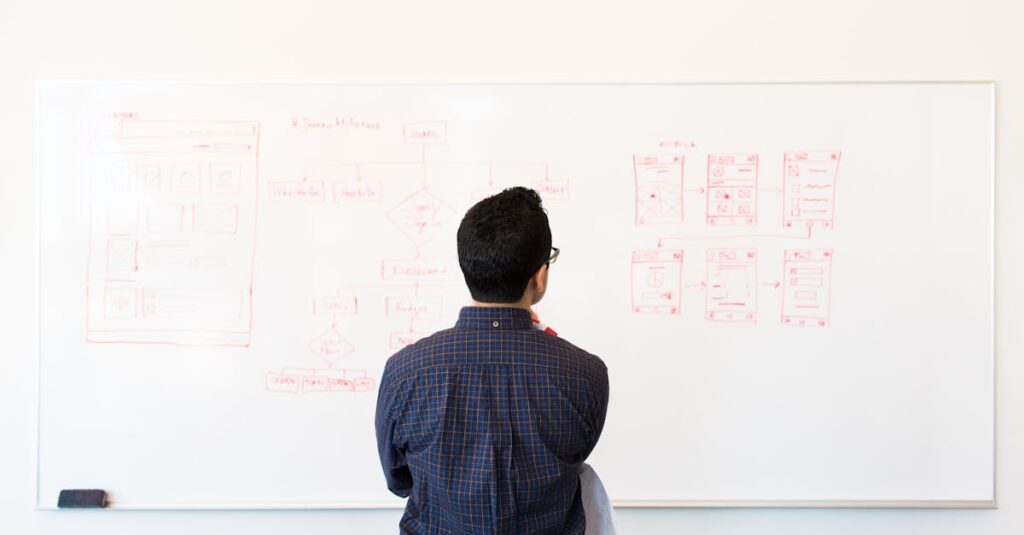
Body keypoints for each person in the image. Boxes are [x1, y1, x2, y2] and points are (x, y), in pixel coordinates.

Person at [375, 187, 610, 534]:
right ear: (539, 276)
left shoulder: (404, 372)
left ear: (466, 266)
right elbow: (576, 459)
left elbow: (399, 480)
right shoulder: (586, 374)